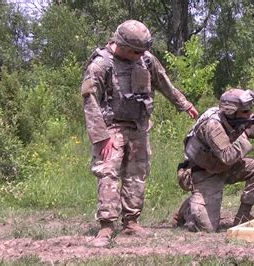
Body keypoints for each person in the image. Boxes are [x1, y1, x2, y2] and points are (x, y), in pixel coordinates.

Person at [81, 20, 199, 247]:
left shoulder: (146, 60)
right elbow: (90, 100)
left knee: (137, 174)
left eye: (142, 51)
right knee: (109, 172)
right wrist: (101, 136)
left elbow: (165, 84)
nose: (139, 55)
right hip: (111, 126)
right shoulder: (101, 65)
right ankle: (106, 226)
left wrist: (184, 104)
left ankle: (131, 222)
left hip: (139, 125)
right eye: (135, 51)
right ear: (121, 44)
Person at [173, 88, 254, 232]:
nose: (250, 115)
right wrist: (248, 133)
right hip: (202, 173)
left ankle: (242, 217)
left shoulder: (235, 118)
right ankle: (187, 210)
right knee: (207, 228)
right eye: (245, 112)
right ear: (232, 111)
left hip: (223, 167)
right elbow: (227, 156)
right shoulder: (212, 125)